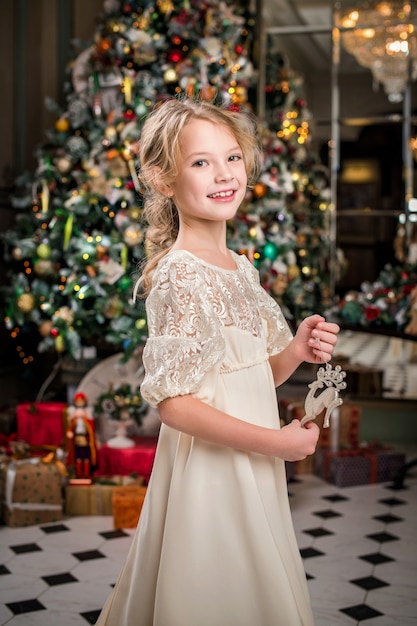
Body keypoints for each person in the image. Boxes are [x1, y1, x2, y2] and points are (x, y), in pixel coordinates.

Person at [96, 97, 340, 626]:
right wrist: (277, 442)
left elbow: (248, 375)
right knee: (216, 585)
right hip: (210, 471)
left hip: (250, 459)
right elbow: (176, 405)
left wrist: (295, 350)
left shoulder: (237, 267)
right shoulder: (179, 275)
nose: (224, 174)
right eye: (201, 162)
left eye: (231, 157)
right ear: (163, 179)